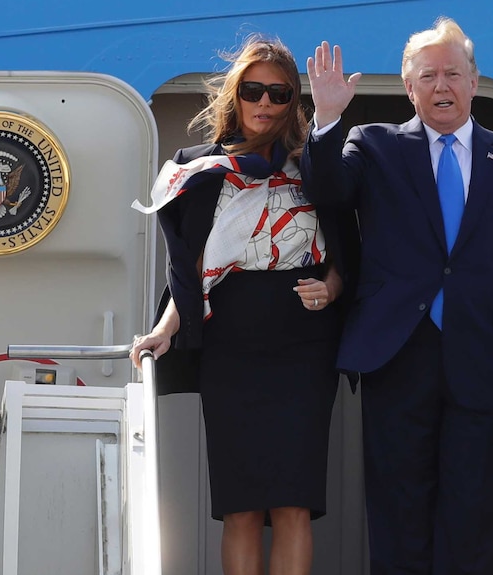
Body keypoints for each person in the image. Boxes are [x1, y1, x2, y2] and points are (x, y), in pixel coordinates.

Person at [301, 17, 493, 575]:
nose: (441, 86)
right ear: (410, 88)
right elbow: (326, 188)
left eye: (453, 73)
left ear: (474, 82)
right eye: (427, 76)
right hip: (400, 361)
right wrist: (329, 118)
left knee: (476, 524)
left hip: (485, 361)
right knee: (399, 520)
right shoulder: (374, 144)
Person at [130, 35, 358, 575]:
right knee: (241, 508)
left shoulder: (315, 163)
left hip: (304, 350)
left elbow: (348, 241)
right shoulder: (193, 167)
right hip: (230, 351)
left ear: (291, 103)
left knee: (294, 505)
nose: (264, 103)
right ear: (236, 94)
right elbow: (187, 271)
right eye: (253, 90)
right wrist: (164, 329)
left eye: (279, 94)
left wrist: (331, 287)